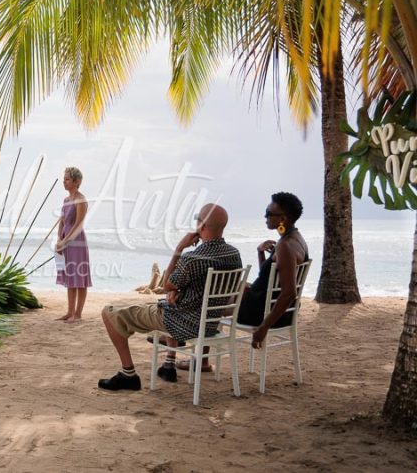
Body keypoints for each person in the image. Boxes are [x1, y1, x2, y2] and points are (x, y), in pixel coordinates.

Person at [98, 204, 242, 391]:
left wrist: (179, 248)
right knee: (168, 301)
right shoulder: (234, 255)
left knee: (109, 313)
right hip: (209, 324)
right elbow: (197, 287)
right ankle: (168, 363)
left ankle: (128, 374)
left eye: (197, 219)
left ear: (202, 226)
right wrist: (177, 291)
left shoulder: (193, 259)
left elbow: (166, 284)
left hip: (183, 323)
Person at [237, 192, 308, 349]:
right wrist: (260, 253)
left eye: (268, 214)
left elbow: (289, 292)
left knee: (213, 298)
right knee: (234, 285)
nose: (265, 217)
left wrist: (264, 327)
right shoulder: (297, 239)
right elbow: (267, 277)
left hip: (261, 313)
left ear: (283, 219)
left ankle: (200, 358)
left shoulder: (285, 246)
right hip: (270, 305)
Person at [55, 167, 92, 323]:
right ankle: (70, 312)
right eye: (64, 179)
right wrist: (59, 239)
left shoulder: (81, 200)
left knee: (80, 277)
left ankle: (78, 314)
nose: (64, 181)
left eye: (67, 179)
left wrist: (66, 240)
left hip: (77, 242)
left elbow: (78, 225)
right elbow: (62, 222)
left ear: (77, 182)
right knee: (70, 276)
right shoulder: (66, 200)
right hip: (65, 241)